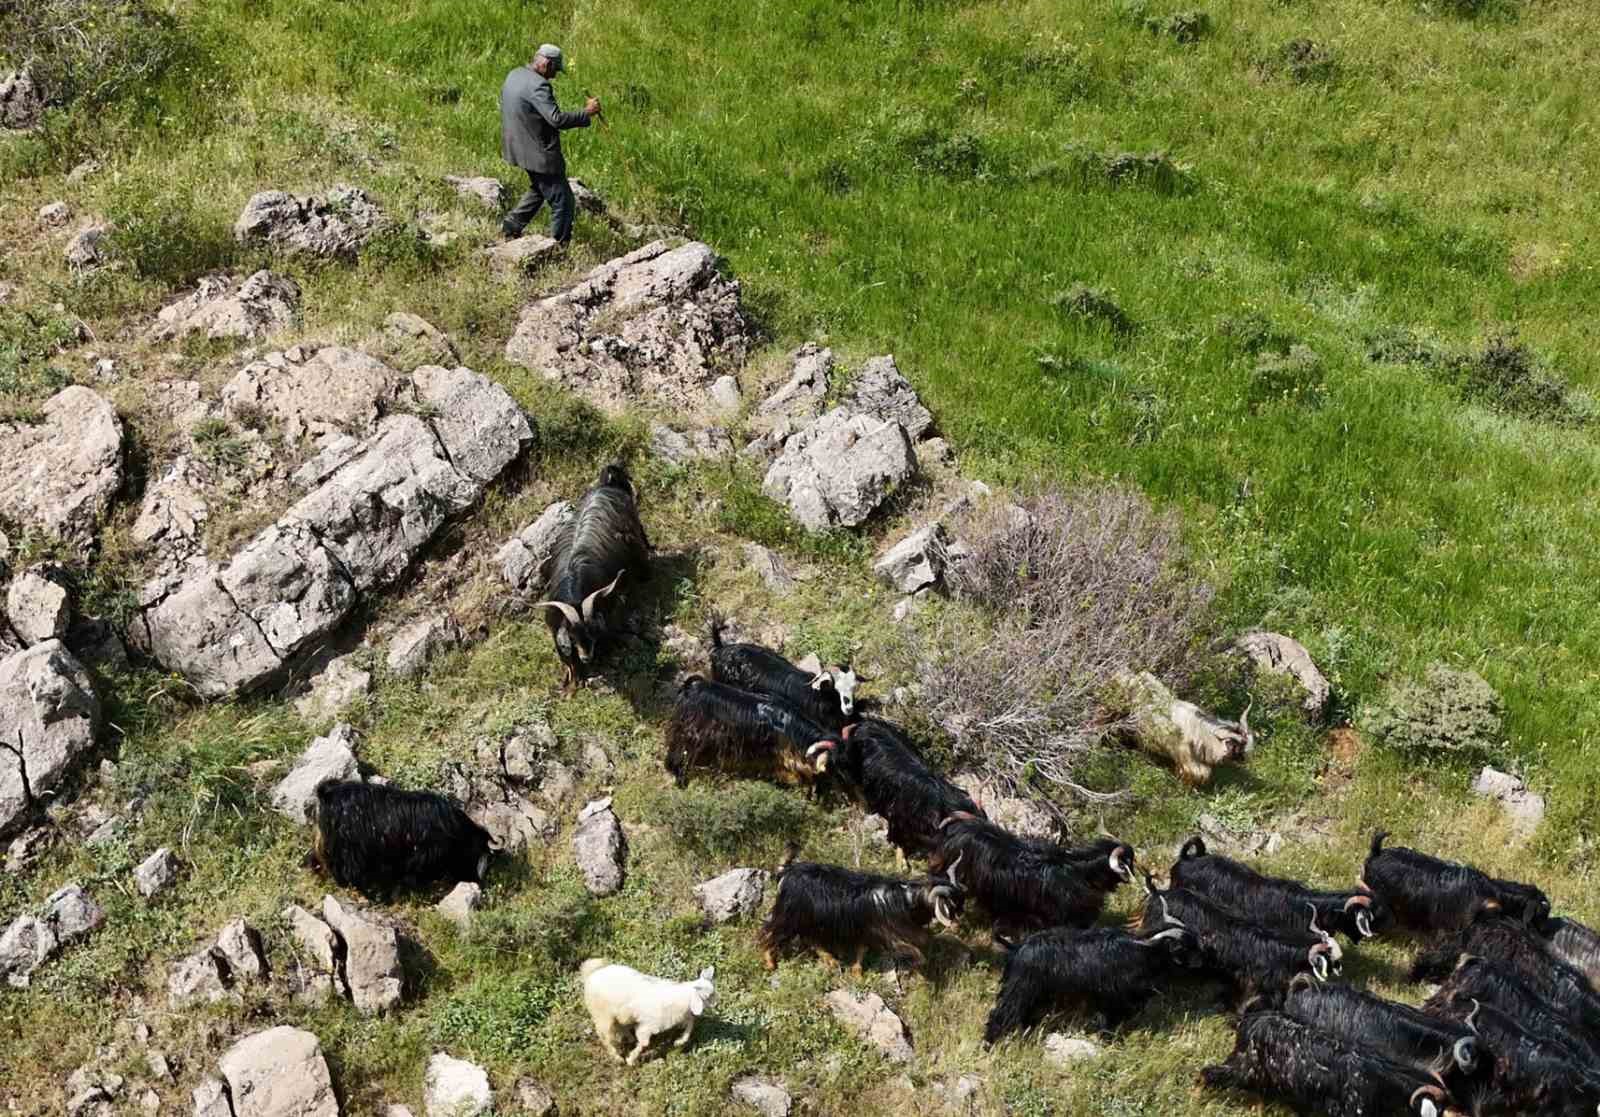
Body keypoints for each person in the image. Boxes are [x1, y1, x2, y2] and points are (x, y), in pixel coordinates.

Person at [499, 43, 600, 243]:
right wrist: (587, 113)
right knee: (563, 201)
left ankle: (511, 225)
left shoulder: (514, 74)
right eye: (554, 69)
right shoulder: (539, 85)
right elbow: (556, 119)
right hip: (538, 153)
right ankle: (559, 249)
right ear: (546, 63)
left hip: (516, 146)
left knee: (541, 188)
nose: (554, 76)